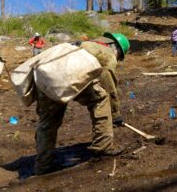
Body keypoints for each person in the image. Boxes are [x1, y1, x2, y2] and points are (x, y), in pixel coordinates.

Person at [34, 32, 130, 175]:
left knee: (48, 121)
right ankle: (103, 145)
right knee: (101, 98)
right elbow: (109, 85)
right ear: (115, 47)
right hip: (70, 74)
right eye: (119, 57)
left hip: (45, 75)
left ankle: (43, 165)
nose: (117, 59)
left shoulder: (81, 45)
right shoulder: (107, 53)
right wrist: (115, 114)